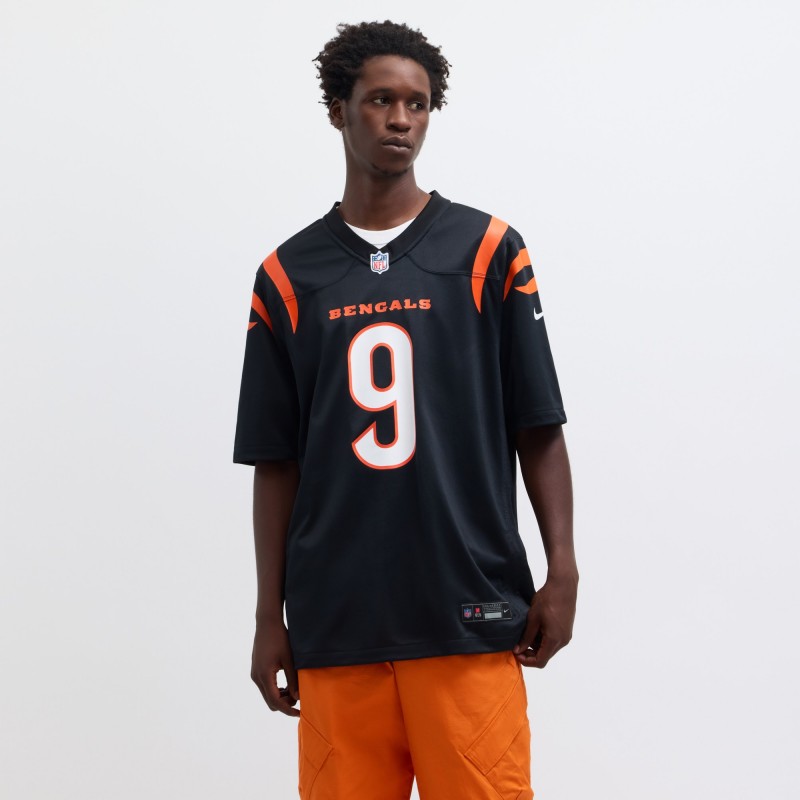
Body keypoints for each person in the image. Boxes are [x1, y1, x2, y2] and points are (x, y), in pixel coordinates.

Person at [234, 20, 577, 800]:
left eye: (417, 104)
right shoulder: (287, 276)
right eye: (380, 100)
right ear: (338, 109)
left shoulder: (488, 251)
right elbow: (275, 462)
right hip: (338, 623)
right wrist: (267, 615)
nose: (400, 119)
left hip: (468, 612)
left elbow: (538, 425)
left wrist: (562, 567)